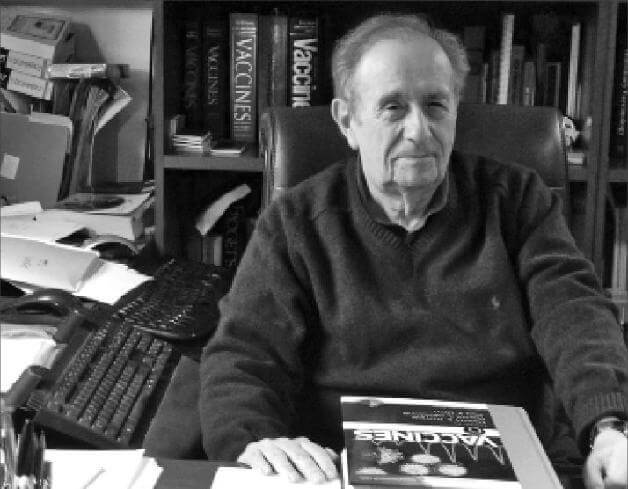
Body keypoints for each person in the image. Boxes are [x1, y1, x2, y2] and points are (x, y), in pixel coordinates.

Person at [199, 13, 628, 488]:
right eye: (393, 107)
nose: (419, 130)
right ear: (347, 121)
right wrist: (254, 441)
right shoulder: (296, 222)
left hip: (506, 463)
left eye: (435, 105)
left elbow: (574, 311)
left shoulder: (517, 201)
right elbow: (245, 353)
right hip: (340, 465)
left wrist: (608, 428)